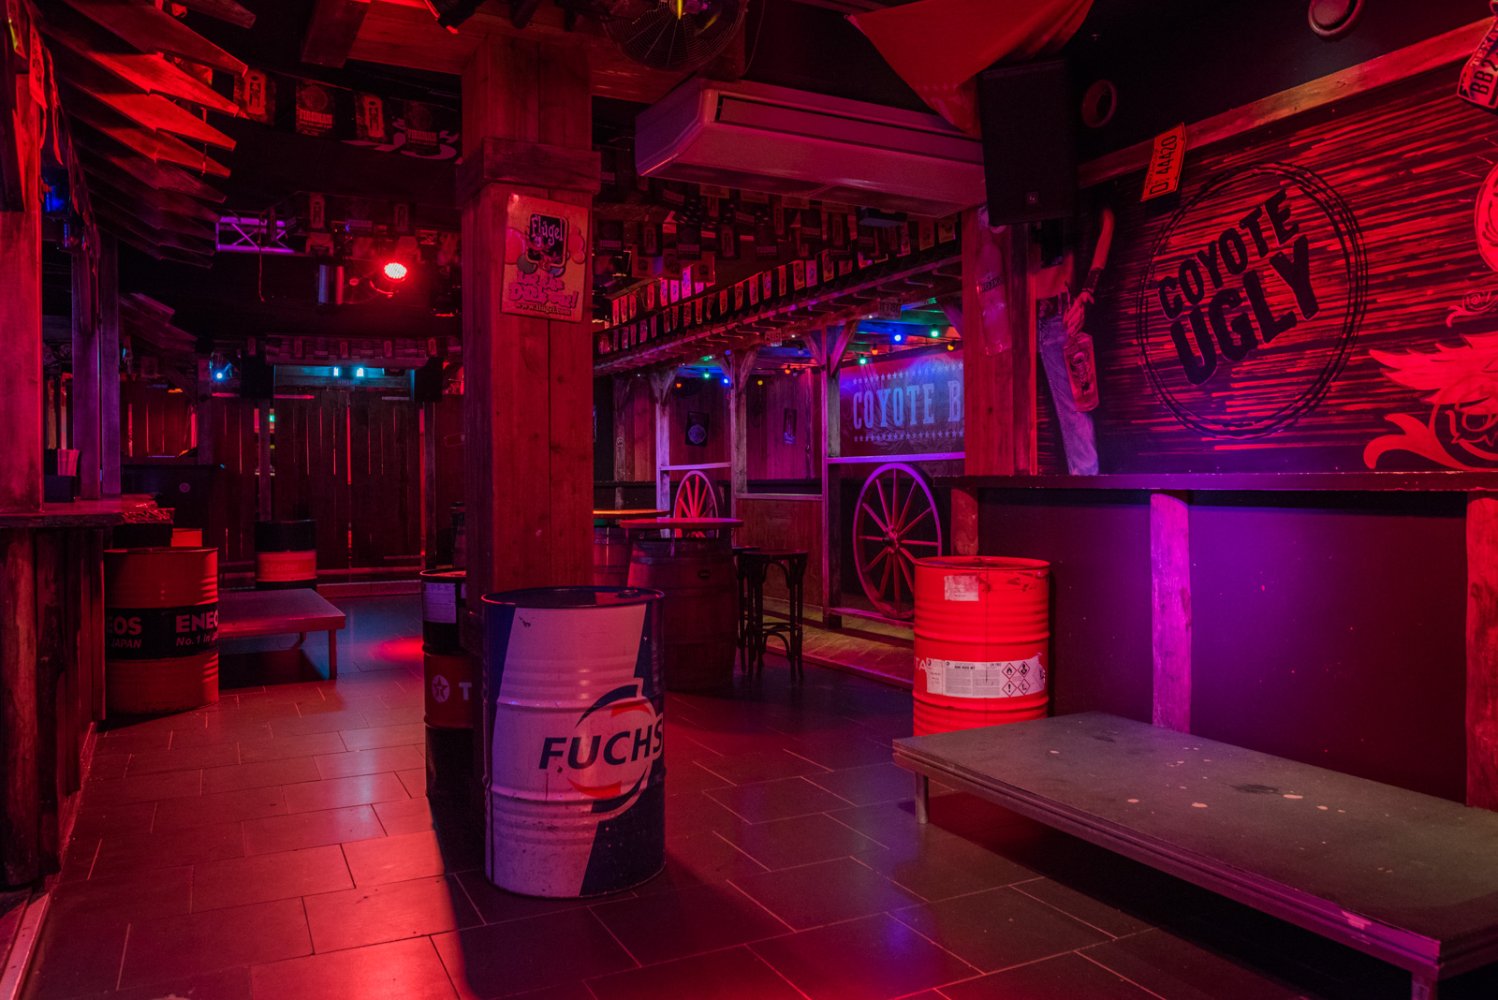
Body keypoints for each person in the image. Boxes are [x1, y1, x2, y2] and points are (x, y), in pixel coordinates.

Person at [1029, 204, 1115, 475]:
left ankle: (1087, 486)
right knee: (1059, 416)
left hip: (1059, 310)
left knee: (1075, 411)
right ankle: (1085, 484)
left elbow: (1107, 219)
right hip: (1031, 313)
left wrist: (1088, 290)